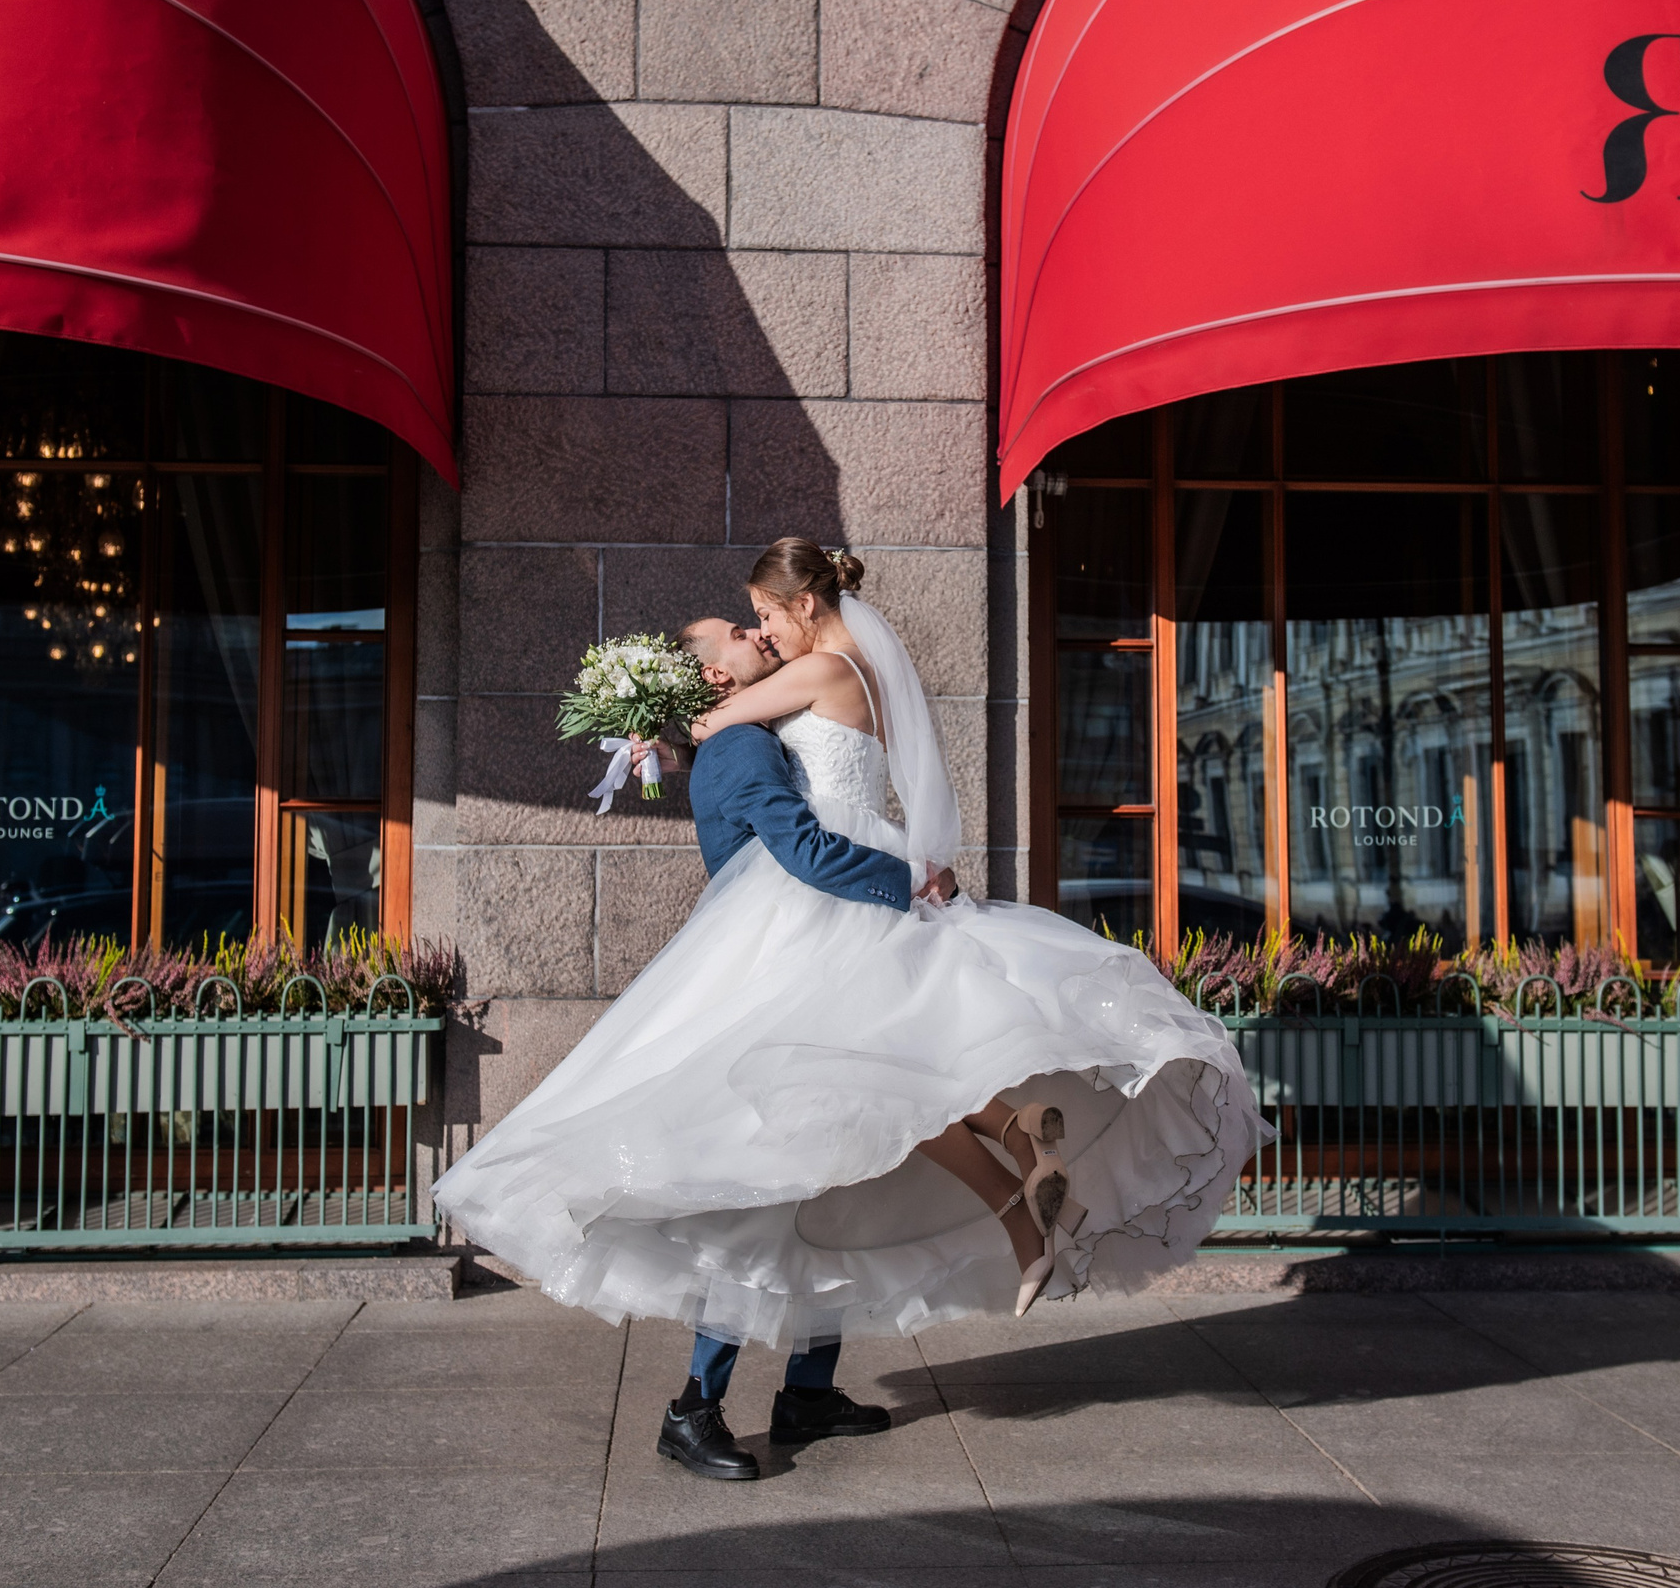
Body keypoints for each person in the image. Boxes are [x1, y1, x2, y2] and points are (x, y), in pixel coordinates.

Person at [434, 539, 1270, 1482]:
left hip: (830, 914)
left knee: (834, 1135)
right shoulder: (824, 689)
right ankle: (739, 1391)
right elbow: (767, 787)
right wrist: (677, 727)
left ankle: (763, 1392)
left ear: (800, 606)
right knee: (832, 1136)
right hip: (841, 909)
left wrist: (674, 721)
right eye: (746, 624)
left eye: (762, 613)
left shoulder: (808, 678)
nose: (759, 629)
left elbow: (724, 731)